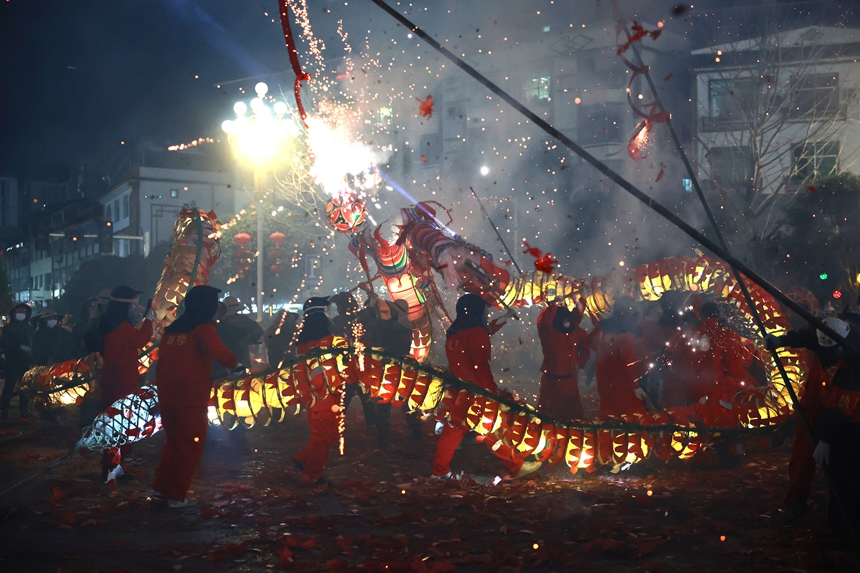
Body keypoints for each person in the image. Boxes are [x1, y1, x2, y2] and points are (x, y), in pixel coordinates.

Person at [431, 294, 541, 480]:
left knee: (455, 429)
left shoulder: (455, 332)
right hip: (478, 392)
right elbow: (480, 365)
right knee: (492, 428)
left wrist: (503, 319)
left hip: (460, 390)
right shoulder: (476, 333)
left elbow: (483, 332)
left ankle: (440, 470)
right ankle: (516, 466)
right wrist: (492, 390)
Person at [767, 317, 860, 530]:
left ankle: (844, 522)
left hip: (848, 415)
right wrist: (780, 341)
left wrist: (825, 440)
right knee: (802, 454)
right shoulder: (825, 334)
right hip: (816, 399)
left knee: (843, 468)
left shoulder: (854, 363)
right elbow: (807, 337)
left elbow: (840, 409)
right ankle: (796, 501)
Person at [152, 285, 239, 508]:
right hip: (191, 396)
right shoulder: (203, 328)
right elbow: (219, 351)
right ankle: (176, 495)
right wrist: (235, 363)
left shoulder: (174, 328)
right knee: (189, 445)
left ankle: (161, 488)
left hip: (168, 394)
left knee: (173, 442)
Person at [291, 297, 354, 486]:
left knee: (331, 433)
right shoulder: (320, 343)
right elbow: (318, 370)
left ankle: (303, 458)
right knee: (323, 436)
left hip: (323, 393)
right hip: (322, 394)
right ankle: (311, 474)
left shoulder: (306, 341)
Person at [97, 286, 154, 481]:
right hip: (121, 381)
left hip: (113, 379)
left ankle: (113, 465)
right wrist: (149, 321)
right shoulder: (120, 326)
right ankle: (112, 467)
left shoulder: (110, 322)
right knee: (123, 425)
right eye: (133, 303)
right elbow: (139, 339)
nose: (135, 307)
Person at [371, 298, 423, 444]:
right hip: (402, 367)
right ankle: (416, 429)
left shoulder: (389, 325)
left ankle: (383, 434)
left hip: (389, 367)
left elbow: (378, 341)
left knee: (385, 400)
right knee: (405, 399)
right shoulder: (405, 325)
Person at [589, 304, 650, 418]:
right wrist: (635, 387)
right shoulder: (626, 336)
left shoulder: (601, 328)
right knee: (635, 415)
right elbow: (628, 364)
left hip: (603, 380)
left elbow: (591, 343)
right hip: (621, 383)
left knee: (609, 414)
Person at [537, 301, 591, 420]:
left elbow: (586, 350)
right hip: (551, 382)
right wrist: (553, 306)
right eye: (565, 321)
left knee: (574, 417)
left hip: (570, 381)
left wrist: (579, 363)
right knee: (549, 418)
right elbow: (544, 321)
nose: (568, 323)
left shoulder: (576, 331)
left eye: (569, 320)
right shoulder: (549, 333)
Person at [0, 302, 33, 420]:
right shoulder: (8, 328)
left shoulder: (28, 328)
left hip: (25, 361)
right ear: (14, 313)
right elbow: (5, 343)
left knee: (25, 386)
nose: (21, 313)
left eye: (24, 311)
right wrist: (19, 347)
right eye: (19, 311)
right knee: (9, 386)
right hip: (12, 361)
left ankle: (24, 409)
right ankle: (4, 410)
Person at [215, 296, 263, 376]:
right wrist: (248, 342)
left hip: (225, 353)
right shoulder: (244, 320)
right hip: (242, 353)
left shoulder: (221, 322)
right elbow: (258, 331)